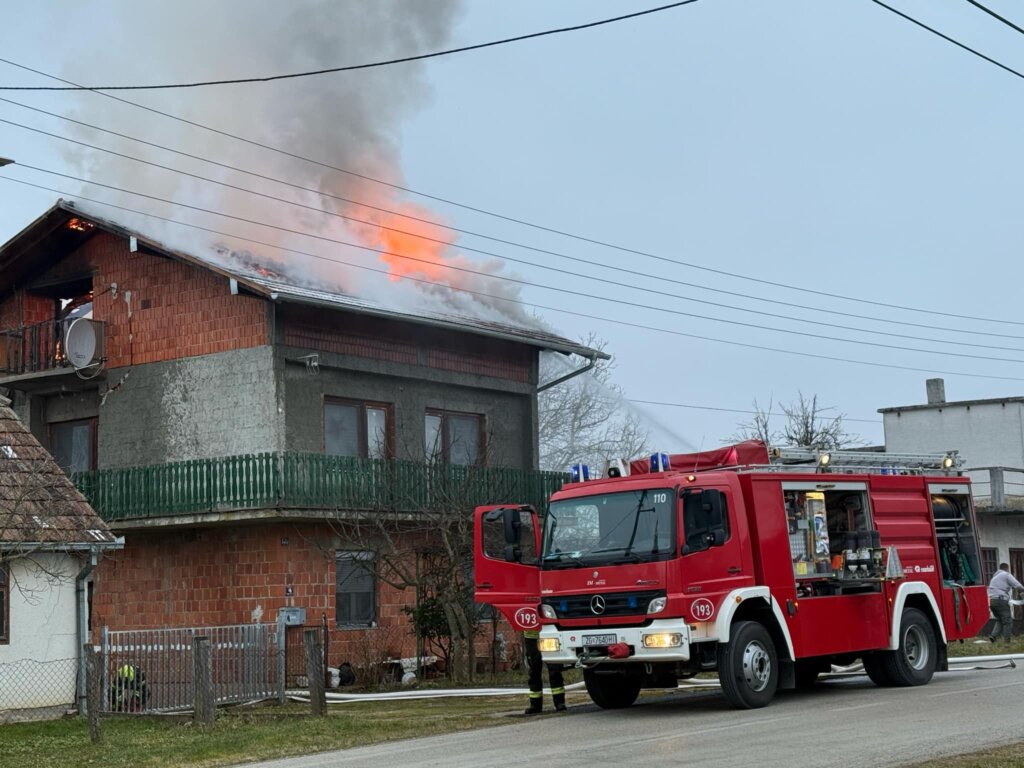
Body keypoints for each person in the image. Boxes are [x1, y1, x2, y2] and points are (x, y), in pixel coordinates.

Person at [523, 627, 566, 714]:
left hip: (548, 634)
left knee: (554, 669)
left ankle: (559, 703)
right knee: (534, 672)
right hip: (531, 637)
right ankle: (535, 705)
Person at [987, 562, 1023, 643]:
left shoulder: (995, 577)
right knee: (1008, 621)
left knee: (999, 619)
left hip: (992, 601)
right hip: (1001, 600)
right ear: (1007, 568)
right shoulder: (1006, 575)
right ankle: (1007, 641)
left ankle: (993, 636)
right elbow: (1018, 585)